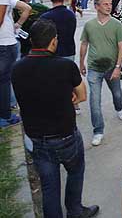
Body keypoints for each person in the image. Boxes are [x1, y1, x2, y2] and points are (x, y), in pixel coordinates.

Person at [12, 19, 99, 218]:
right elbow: (83, 95)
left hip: (36, 138)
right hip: (65, 135)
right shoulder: (65, 66)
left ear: (32, 40)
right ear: (53, 41)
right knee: (76, 171)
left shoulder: (17, 68)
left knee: (49, 187)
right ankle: (75, 210)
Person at [79, 0, 122, 146]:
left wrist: (118, 67)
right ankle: (98, 131)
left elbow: (121, 47)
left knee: (117, 94)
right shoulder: (89, 25)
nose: (109, 6)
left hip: (112, 67)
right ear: (97, 6)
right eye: (105, 4)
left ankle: (119, 108)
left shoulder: (117, 25)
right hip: (94, 68)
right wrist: (81, 63)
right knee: (94, 101)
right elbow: (84, 44)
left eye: (109, 4)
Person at [0, 0, 31, 128]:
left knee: (3, 81)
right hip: (6, 43)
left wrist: (16, 25)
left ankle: (5, 115)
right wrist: (17, 25)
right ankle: (5, 114)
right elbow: (26, 8)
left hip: (6, 43)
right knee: (4, 81)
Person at [40, 0, 79, 112]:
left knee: (54, 79)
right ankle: (75, 103)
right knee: (69, 78)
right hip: (69, 49)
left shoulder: (46, 16)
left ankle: (57, 103)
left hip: (52, 52)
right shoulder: (71, 15)